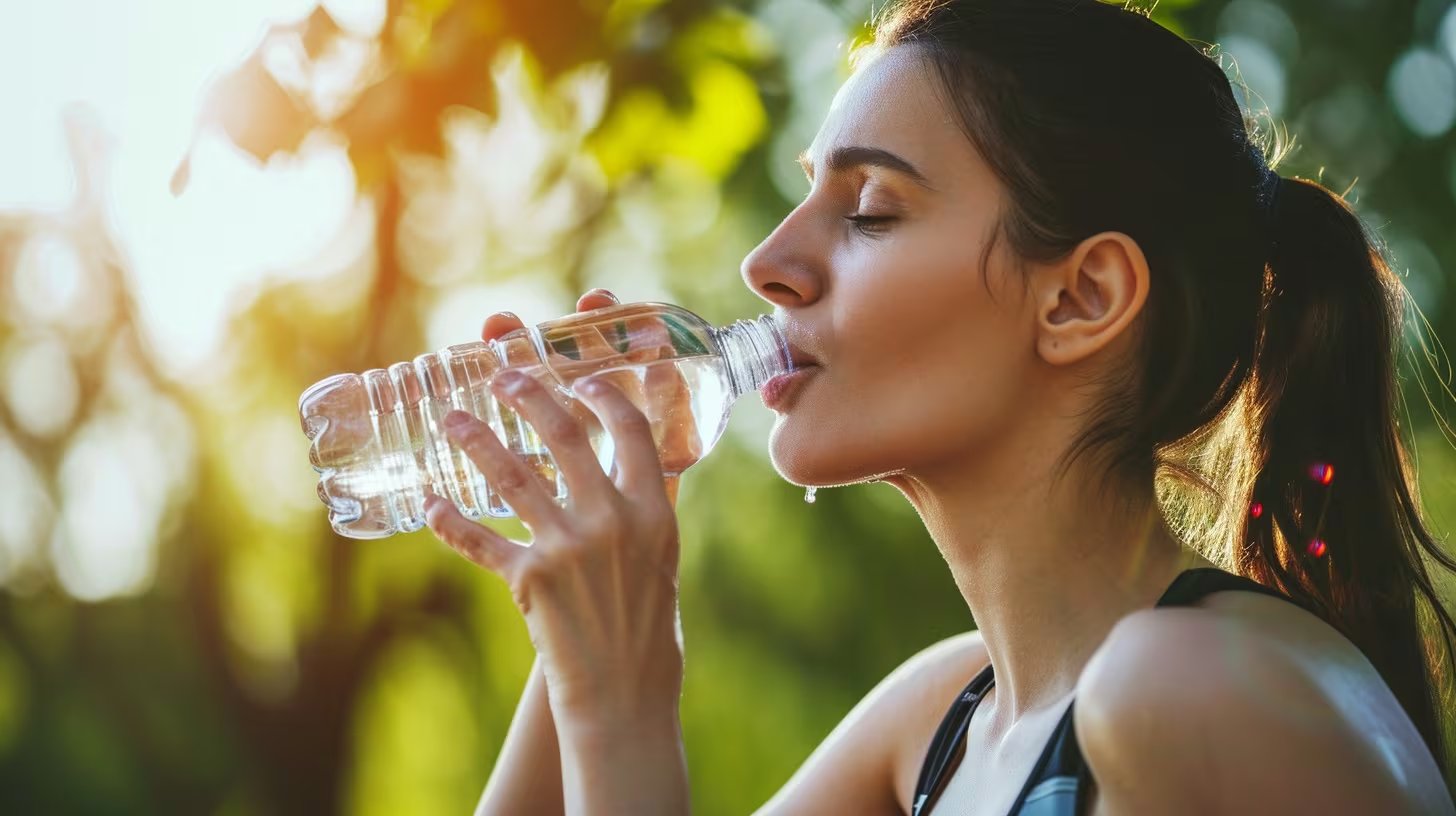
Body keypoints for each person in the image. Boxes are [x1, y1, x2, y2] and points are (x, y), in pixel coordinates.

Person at [421, 0, 1456, 812]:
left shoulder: (1190, 690)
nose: (766, 262)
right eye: (805, 195)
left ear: (1080, 299)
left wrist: (619, 703)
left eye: (870, 210)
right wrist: (596, 608)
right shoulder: (945, 725)